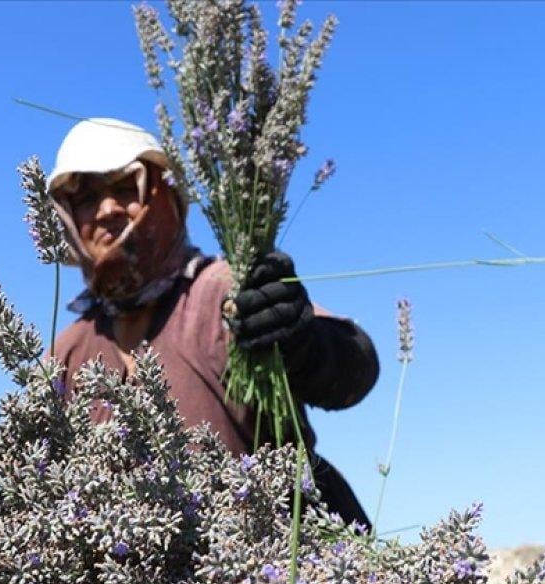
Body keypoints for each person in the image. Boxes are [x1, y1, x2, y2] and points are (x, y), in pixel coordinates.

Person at [47, 118, 378, 528]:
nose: (108, 208)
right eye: (88, 198)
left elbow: (355, 368)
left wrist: (305, 341)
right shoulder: (68, 349)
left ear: (166, 197)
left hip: (272, 571)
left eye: (123, 188)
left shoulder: (221, 291)